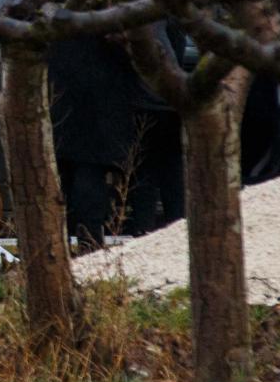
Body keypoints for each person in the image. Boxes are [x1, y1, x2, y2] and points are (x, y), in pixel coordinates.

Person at [48, 24, 185, 248]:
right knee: (101, 171)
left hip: (68, 91)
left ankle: (89, 243)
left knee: (81, 171)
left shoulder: (61, 2)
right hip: (117, 94)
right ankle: (100, 243)